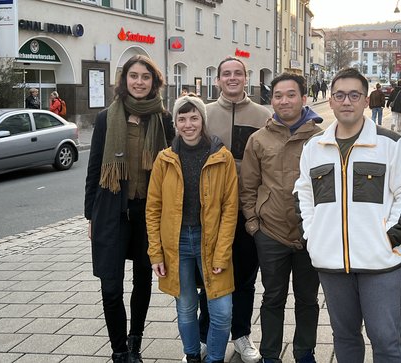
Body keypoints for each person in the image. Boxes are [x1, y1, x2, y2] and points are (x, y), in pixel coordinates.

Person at [294, 67, 401, 362]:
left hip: (379, 264)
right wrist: (313, 236)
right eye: (339, 95)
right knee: (345, 338)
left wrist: (388, 237)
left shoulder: (389, 144)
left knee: (386, 340)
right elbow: (302, 193)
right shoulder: (314, 147)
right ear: (330, 101)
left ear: (366, 100)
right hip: (331, 264)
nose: (346, 101)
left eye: (354, 95)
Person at [84, 55, 174, 363]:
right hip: (111, 212)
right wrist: (90, 216)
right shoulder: (106, 118)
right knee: (111, 285)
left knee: (143, 281)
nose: (139, 81)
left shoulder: (162, 119)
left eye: (145, 77)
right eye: (133, 76)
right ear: (124, 81)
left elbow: (172, 168)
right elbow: (95, 168)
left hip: (148, 214)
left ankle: (135, 343)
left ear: (154, 82)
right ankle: (118, 351)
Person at [147, 95, 238, 363]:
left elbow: (230, 209)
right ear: (175, 123)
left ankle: (215, 359)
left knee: (222, 310)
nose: (188, 124)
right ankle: (192, 355)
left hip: (210, 241)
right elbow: (153, 209)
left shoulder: (222, 157)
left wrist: (222, 253)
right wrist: (156, 253)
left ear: (202, 120)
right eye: (182, 119)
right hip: (176, 243)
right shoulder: (164, 159)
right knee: (186, 307)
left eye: (194, 117)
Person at [240, 73, 322, 363]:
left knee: (308, 299)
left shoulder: (321, 139)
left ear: (303, 98)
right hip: (271, 232)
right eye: (278, 95)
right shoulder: (258, 139)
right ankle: (271, 354)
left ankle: (304, 352)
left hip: (310, 233)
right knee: (273, 297)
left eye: (290, 94)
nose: (284, 100)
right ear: (271, 100)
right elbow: (247, 186)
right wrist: (253, 223)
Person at [199, 56, 271, 363]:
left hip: (246, 210)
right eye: (226, 74)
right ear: (217, 80)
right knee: (208, 278)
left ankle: (241, 334)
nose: (232, 78)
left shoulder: (262, 115)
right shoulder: (203, 114)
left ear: (246, 78)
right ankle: (206, 336)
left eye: (237, 73)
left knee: (244, 278)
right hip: (209, 213)